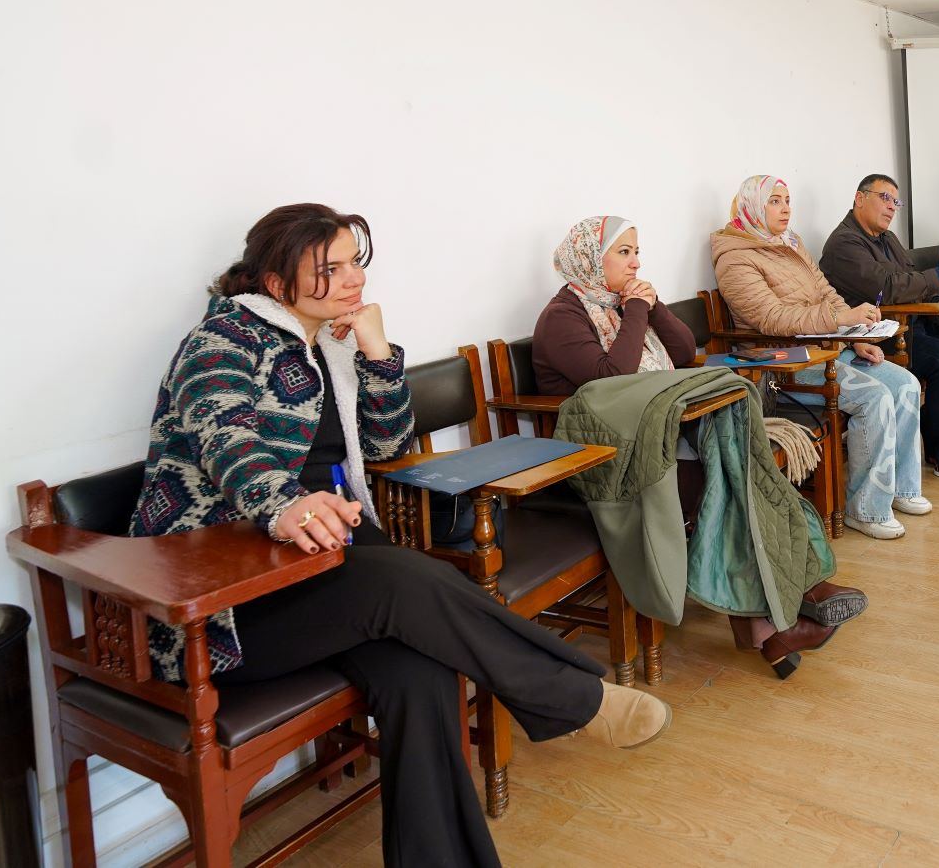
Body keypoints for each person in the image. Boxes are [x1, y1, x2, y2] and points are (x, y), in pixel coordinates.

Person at [130, 204, 668, 868]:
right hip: (229, 603)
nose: (353, 277)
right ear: (274, 283)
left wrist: (378, 355)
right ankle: (575, 697)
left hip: (324, 569)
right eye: (330, 268)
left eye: (356, 259)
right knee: (401, 579)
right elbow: (228, 438)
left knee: (421, 668)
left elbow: (386, 445)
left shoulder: (328, 341)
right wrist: (284, 505)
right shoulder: (222, 341)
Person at [533, 214, 867, 676]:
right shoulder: (562, 317)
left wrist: (653, 308)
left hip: (657, 439)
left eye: (636, 251)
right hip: (606, 460)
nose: (635, 262)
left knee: (739, 464)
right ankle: (787, 610)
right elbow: (614, 379)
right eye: (623, 252)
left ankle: (772, 625)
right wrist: (634, 311)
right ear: (590, 259)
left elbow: (685, 350)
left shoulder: (619, 303)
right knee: (731, 476)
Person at [712, 174, 931, 540]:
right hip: (787, 365)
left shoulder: (790, 244)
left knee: (906, 384)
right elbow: (772, 319)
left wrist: (856, 334)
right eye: (775, 201)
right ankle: (866, 508)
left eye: (787, 200)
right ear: (752, 206)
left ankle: (902, 489)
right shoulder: (734, 260)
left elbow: (826, 292)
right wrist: (840, 320)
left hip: (829, 350)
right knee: (874, 397)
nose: (786, 208)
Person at [819, 174, 939, 482]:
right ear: (859, 198)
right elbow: (889, 287)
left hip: (914, 326)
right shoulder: (844, 244)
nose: (892, 208)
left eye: (895, 201)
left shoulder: (886, 238)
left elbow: (915, 280)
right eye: (884, 198)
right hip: (880, 339)